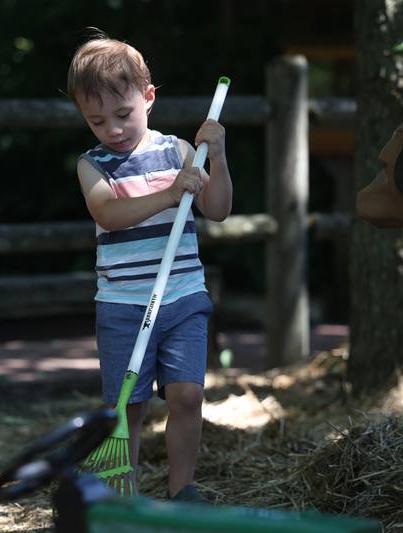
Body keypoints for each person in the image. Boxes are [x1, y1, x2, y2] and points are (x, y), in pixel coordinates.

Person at [66, 30, 232, 502]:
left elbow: (217, 208)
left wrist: (216, 160)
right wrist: (169, 193)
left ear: (148, 97)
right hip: (122, 305)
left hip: (181, 297)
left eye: (123, 114)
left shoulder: (179, 152)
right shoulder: (93, 164)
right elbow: (108, 214)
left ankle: (184, 491)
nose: (113, 130)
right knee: (128, 408)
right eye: (97, 121)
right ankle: (126, 496)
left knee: (187, 395)